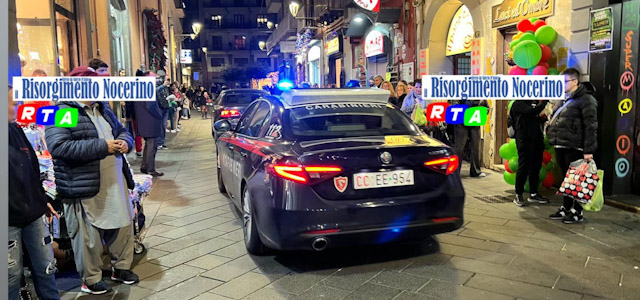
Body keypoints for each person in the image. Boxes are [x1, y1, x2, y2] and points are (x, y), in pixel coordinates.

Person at [45, 66, 139, 295]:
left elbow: (123, 131)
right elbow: (58, 146)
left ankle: (121, 267)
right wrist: (103, 146)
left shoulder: (103, 108)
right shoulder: (60, 110)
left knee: (122, 225)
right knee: (88, 236)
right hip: (83, 184)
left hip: (114, 181)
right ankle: (91, 278)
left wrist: (126, 142)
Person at [8, 85, 61, 300]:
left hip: (33, 213)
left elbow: (31, 166)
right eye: (13, 104)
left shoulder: (15, 129)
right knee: (11, 276)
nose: (18, 107)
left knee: (46, 268)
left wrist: (42, 199)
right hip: (9, 219)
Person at [547, 68, 598, 224]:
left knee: (577, 180)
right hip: (561, 144)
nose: (561, 85)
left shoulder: (586, 100)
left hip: (575, 147)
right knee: (566, 180)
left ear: (575, 81)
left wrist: (589, 150)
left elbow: (591, 126)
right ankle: (566, 208)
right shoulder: (566, 99)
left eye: (564, 82)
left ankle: (578, 211)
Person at [511, 99, 550, 206]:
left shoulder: (535, 103)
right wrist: (543, 103)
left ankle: (534, 193)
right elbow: (530, 112)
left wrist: (543, 118)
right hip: (524, 139)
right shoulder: (518, 103)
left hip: (537, 139)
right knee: (523, 166)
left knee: (536, 167)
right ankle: (518, 194)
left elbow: (536, 117)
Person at [134, 72, 165, 177]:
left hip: (143, 120)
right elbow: (151, 105)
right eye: (154, 77)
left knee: (148, 145)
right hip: (151, 121)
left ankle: (144, 166)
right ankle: (150, 169)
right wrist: (159, 114)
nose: (156, 79)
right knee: (152, 145)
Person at [454, 100, 488, 178]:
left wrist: (483, 111)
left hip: (475, 122)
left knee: (476, 147)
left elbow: (486, 107)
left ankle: (475, 171)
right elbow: (454, 105)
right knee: (459, 147)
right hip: (461, 123)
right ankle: (455, 171)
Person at [156, 77, 171, 149]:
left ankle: (161, 142)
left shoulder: (166, 88)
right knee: (161, 126)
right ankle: (159, 143)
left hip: (166, 107)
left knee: (164, 126)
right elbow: (156, 91)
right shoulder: (159, 86)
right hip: (160, 108)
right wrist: (163, 85)